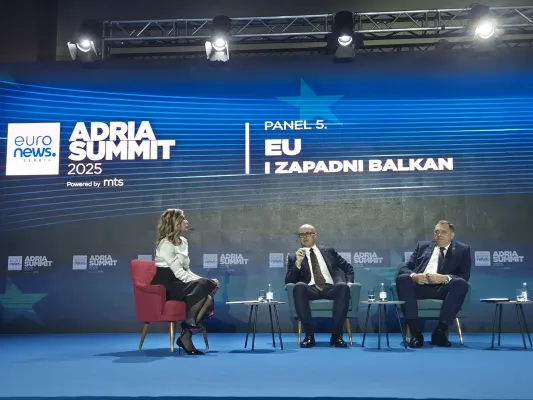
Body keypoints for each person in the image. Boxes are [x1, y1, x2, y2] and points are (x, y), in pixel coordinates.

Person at [151, 208, 219, 355]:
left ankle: (186, 334)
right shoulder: (165, 244)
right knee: (206, 286)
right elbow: (179, 274)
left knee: (207, 296)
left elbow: (186, 270)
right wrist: (205, 283)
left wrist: (203, 281)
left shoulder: (184, 241)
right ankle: (189, 326)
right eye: (183, 219)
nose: (187, 222)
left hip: (181, 282)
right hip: (166, 284)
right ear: (174, 223)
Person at [396, 220, 471, 348]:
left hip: (443, 289)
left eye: (443, 232)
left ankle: (440, 332)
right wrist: (414, 276)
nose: (439, 235)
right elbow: (404, 268)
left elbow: (464, 275)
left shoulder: (462, 250)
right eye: (436, 232)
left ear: (451, 235)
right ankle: (415, 333)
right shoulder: (422, 246)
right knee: (403, 278)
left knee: (461, 283)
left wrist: (445, 278)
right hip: (420, 287)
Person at [285, 224, 354, 348]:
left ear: (315, 235)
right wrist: (298, 263)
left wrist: (349, 283)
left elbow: (348, 268)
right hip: (310, 289)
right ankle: (309, 336)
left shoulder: (329, 251)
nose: (305, 237)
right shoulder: (294, 256)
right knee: (299, 286)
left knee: (343, 287)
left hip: (330, 288)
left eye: (308, 233)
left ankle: (336, 336)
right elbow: (289, 281)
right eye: (301, 234)